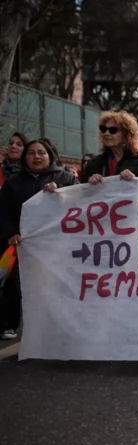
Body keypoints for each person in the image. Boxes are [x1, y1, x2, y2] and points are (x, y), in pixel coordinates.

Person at [0, 140, 78, 339]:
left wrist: (62, 190)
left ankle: (61, 327)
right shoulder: (13, 183)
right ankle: (11, 325)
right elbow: (3, 213)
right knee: (18, 286)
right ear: (25, 157)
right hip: (23, 245)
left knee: (56, 286)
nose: (36, 157)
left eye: (41, 152)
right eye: (31, 153)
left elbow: (81, 203)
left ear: (50, 156)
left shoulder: (66, 178)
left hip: (58, 246)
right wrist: (11, 233)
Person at [83, 111, 138, 184]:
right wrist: (89, 184)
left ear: (126, 134)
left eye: (112, 130)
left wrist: (136, 180)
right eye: (103, 129)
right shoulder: (93, 164)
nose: (106, 133)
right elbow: (81, 194)